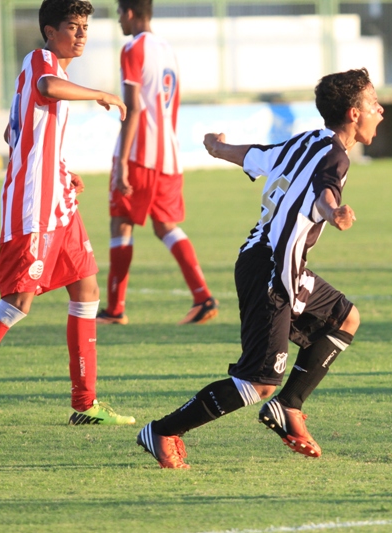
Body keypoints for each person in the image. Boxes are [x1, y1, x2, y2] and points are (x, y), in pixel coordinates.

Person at [136, 68, 384, 468]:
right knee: (258, 382)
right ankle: (163, 430)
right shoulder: (335, 156)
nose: (381, 109)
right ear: (354, 113)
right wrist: (332, 211)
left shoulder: (305, 142)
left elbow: (256, 157)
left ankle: (290, 406)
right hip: (270, 268)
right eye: (374, 103)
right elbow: (325, 191)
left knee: (346, 318)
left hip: (277, 264)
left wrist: (218, 147)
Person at [0, 0, 135, 434]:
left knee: (87, 288)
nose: (82, 34)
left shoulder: (52, 71)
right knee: (18, 301)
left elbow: (14, 130)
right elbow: (48, 90)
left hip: (59, 203)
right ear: (50, 31)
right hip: (33, 206)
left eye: (86, 26)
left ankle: (85, 403)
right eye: (73, 26)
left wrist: (59, 169)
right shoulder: (41, 60)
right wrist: (101, 94)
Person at [95, 0, 218, 326]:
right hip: (169, 154)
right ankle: (202, 297)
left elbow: (133, 107)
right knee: (165, 226)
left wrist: (121, 160)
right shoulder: (167, 49)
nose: (119, 20)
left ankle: (114, 309)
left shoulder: (132, 48)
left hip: (139, 154)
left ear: (130, 12)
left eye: (120, 13)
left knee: (120, 222)